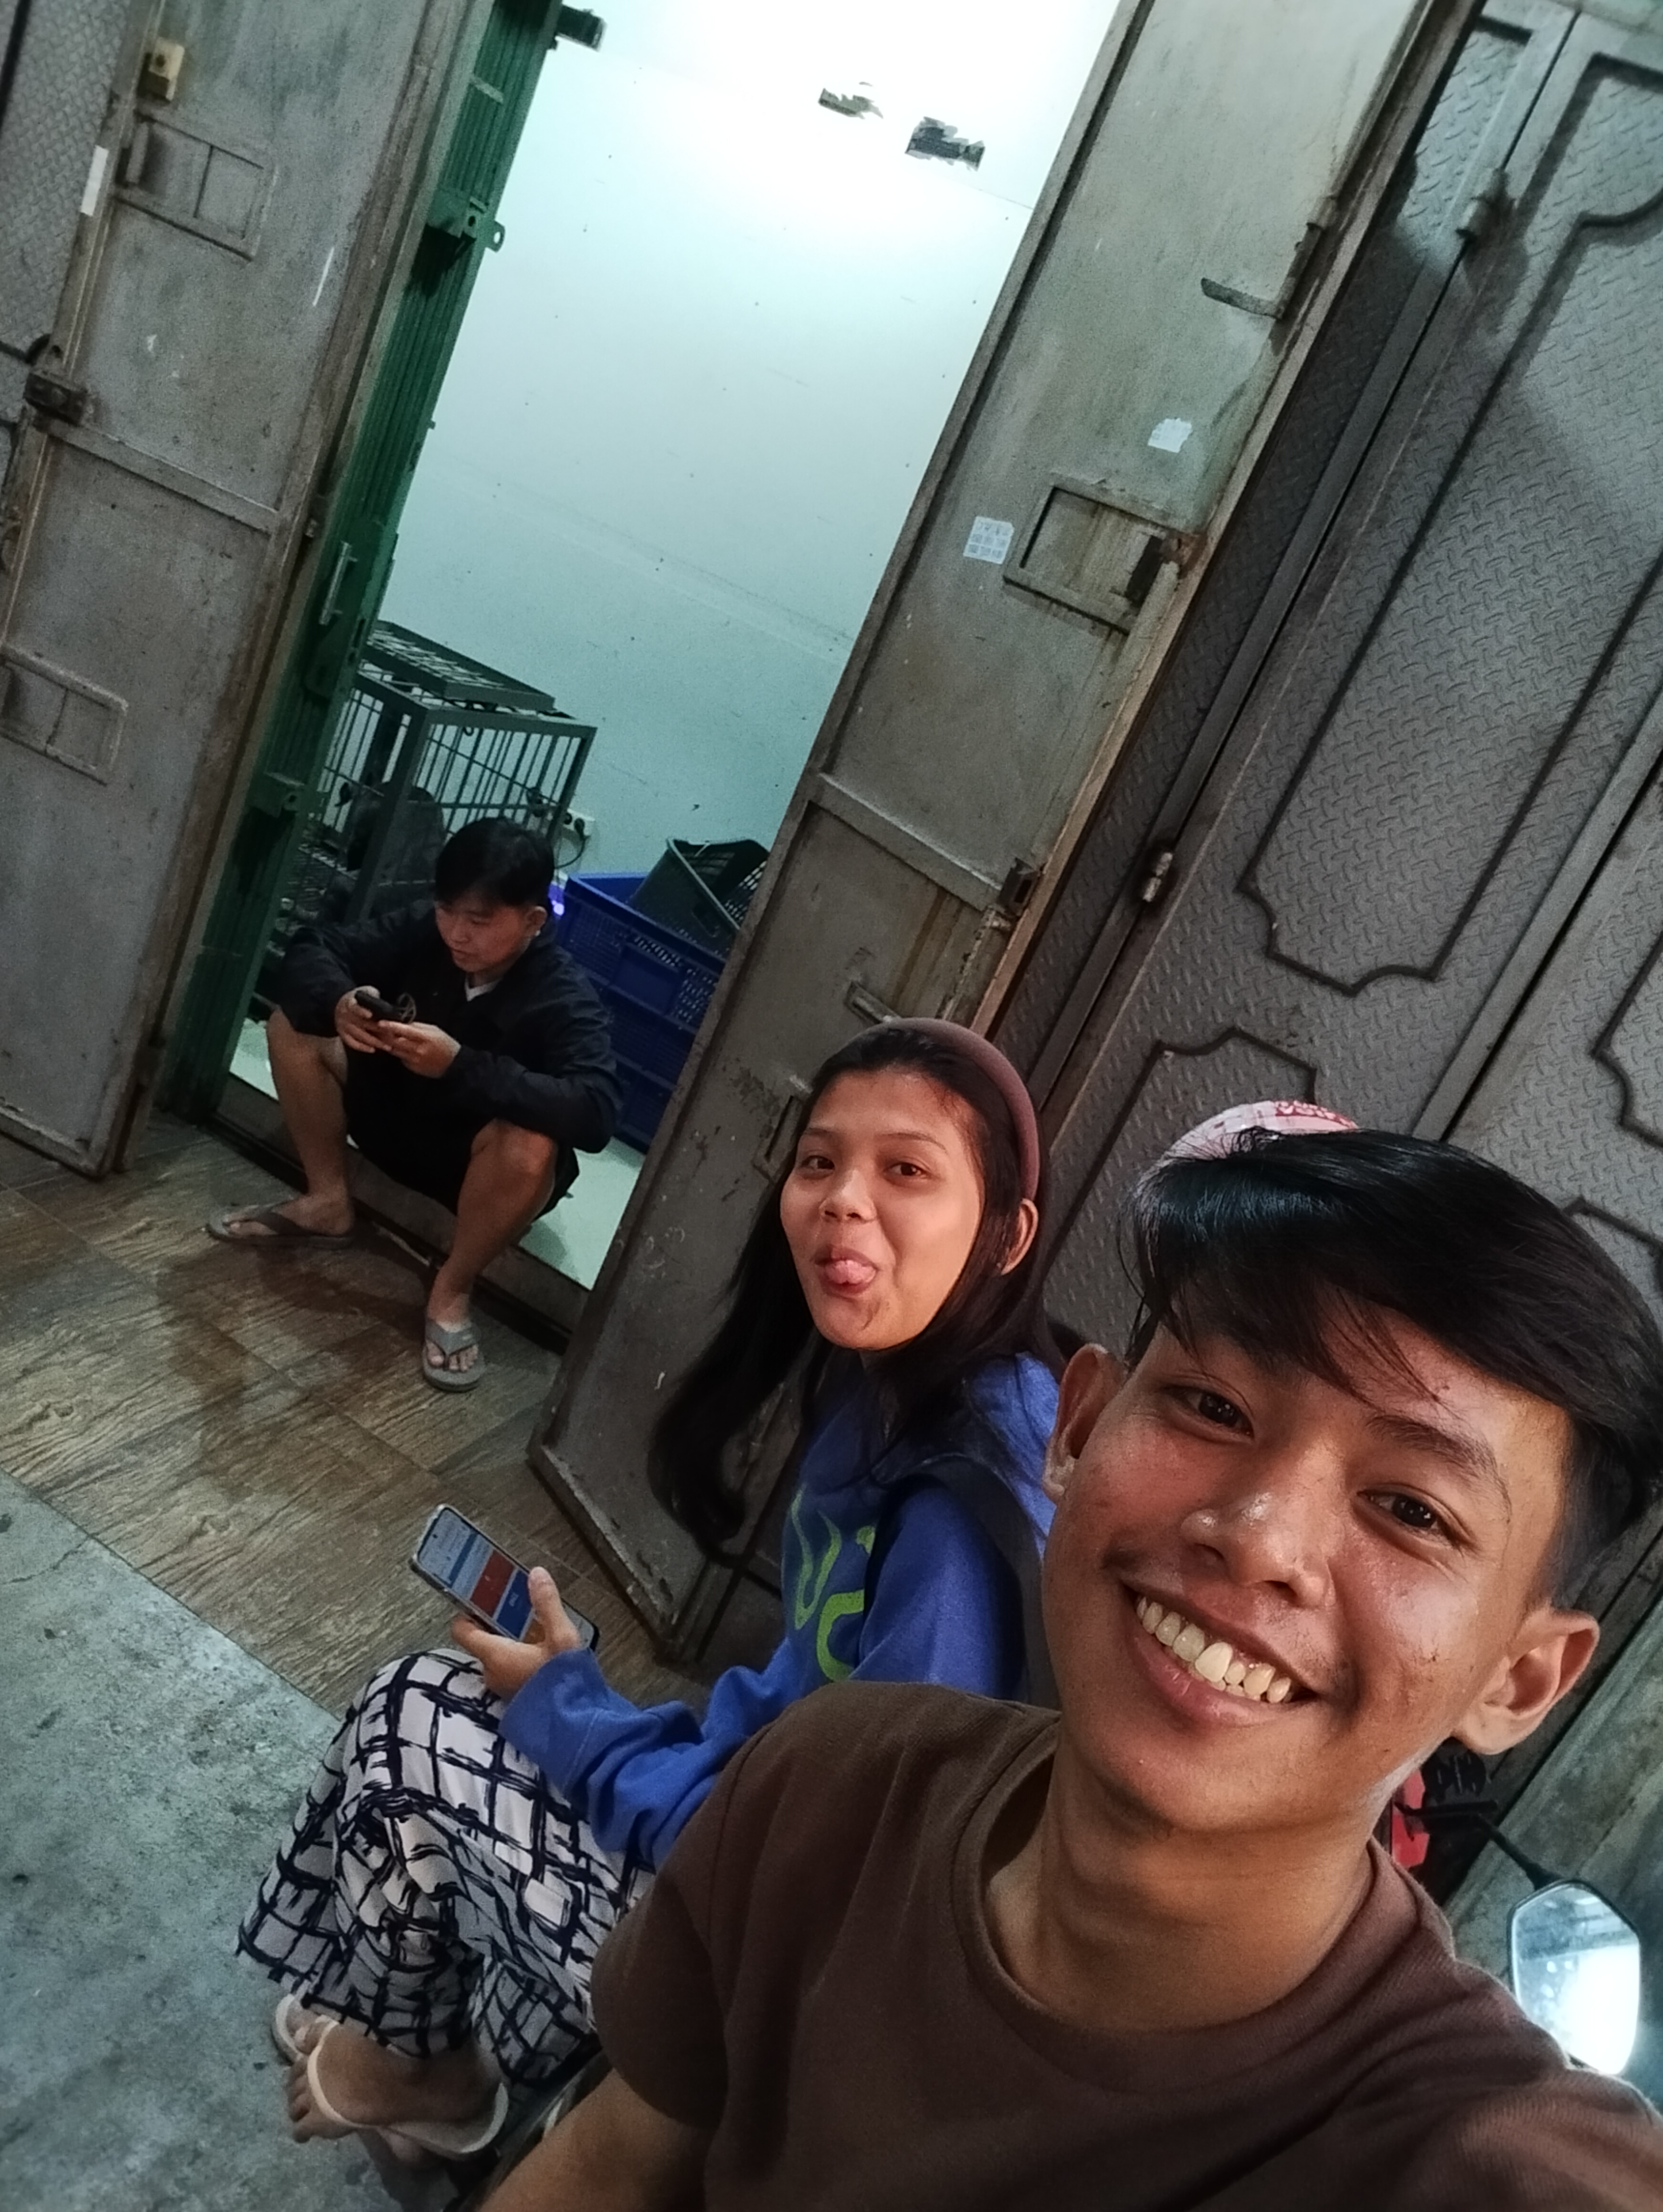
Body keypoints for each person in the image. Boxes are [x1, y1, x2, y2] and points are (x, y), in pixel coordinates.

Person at [488, 1117, 1663, 2211]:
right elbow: (616, 2160)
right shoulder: (835, 1776)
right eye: (1213, 1405)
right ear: (1078, 1423)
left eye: (1411, 1508)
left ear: (1519, 1678)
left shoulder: (1459, 2149)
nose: (1258, 1536)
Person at [238, 1018, 1064, 2159]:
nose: (842, 1201)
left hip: (786, 1979)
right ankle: (496, 2049)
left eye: (907, 1170)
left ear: (1008, 1232)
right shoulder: (901, 1380)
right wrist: (597, 1713)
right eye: (819, 1160)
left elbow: (815, 1878)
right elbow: (797, 1715)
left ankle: (426, 2074)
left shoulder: (957, 1521)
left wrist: (573, 1715)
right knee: (513, 1738)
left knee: (410, 1717)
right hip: (758, 1826)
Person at [208, 817, 619, 1390]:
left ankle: (451, 1287)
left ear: (533, 920)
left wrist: (460, 1064)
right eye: (447, 910)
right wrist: (340, 1000)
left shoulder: (563, 995)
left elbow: (596, 1110)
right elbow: (318, 946)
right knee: (294, 1021)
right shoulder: (427, 932)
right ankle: (327, 1201)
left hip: (467, 1165)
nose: (457, 933)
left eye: (479, 920)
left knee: (531, 1142)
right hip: (394, 1113)